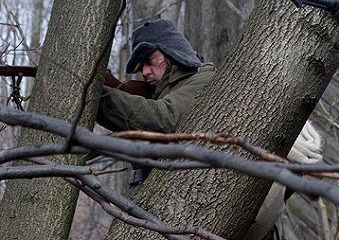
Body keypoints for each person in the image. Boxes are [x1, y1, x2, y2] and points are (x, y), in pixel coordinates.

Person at [97, 18, 322, 240]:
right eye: (140, 68)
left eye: (149, 61)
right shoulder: (169, 90)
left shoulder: (202, 81)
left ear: (171, 52)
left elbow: (162, 119)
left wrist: (99, 96)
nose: (145, 72)